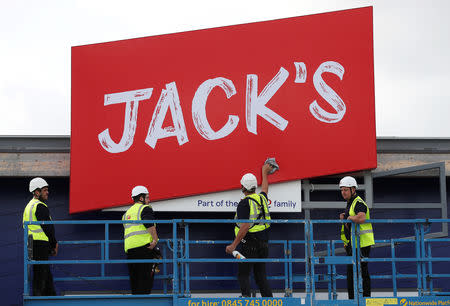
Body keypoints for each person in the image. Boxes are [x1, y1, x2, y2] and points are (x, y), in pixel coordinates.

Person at [226, 163, 274, 297]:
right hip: (263, 244)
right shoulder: (261, 198)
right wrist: (265, 173)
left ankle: (246, 301)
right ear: (254, 186)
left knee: (243, 275)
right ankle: (269, 303)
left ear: (242, 187)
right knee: (260, 276)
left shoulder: (244, 203)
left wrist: (233, 245)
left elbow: (245, 226)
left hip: (250, 245)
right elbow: (265, 189)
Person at [339, 176, 374, 299]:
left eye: (345, 190)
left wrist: (350, 218)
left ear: (353, 189)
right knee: (351, 273)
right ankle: (353, 300)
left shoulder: (358, 202)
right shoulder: (350, 203)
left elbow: (361, 218)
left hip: (361, 245)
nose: (343, 192)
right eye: (342, 190)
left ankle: (364, 298)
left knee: (361, 272)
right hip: (352, 244)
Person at [22, 177, 58, 296]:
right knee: (41, 273)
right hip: (40, 243)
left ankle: (50, 295)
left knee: (41, 272)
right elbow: (48, 228)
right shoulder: (40, 206)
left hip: (31, 243)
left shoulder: (29, 206)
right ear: (37, 192)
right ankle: (41, 298)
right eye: (44, 190)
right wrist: (54, 244)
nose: (47, 192)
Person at [123, 185, 160, 294]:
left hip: (130, 250)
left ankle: (136, 302)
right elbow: (148, 224)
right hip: (145, 249)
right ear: (141, 198)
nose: (149, 200)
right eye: (147, 197)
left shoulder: (126, 214)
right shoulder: (145, 208)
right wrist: (155, 240)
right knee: (145, 281)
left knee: (135, 280)